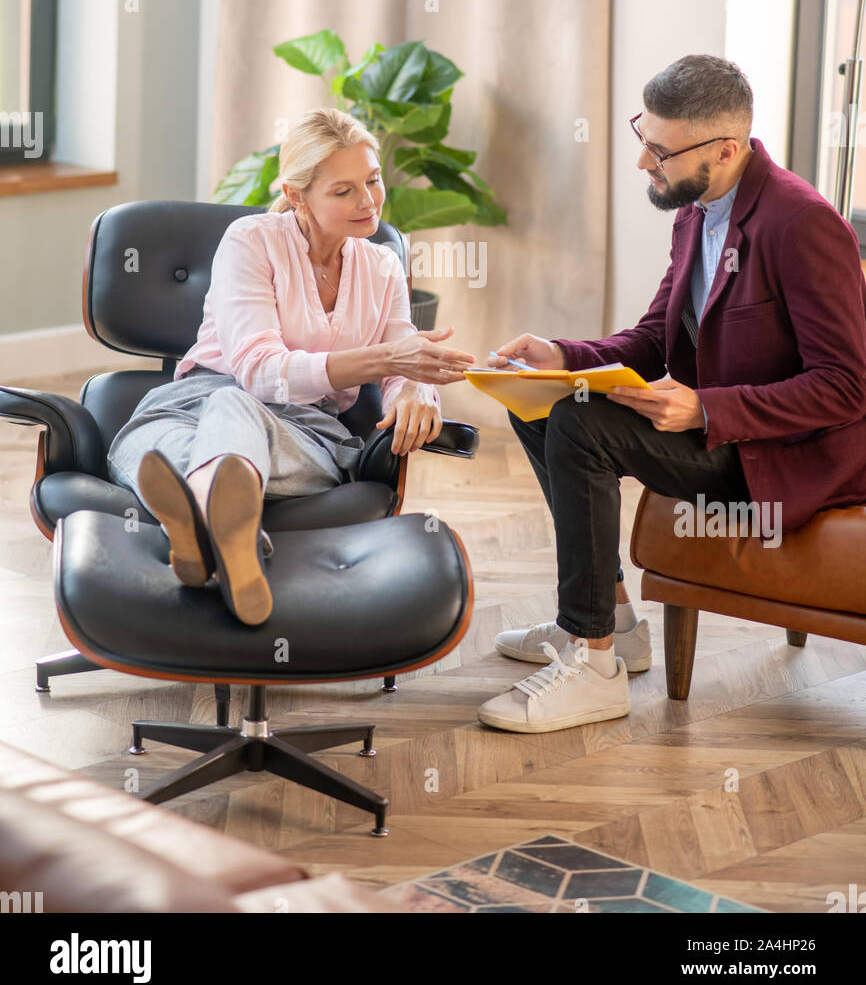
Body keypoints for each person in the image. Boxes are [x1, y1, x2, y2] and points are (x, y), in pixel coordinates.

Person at [477, 53, 866, 734]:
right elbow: (657, 338)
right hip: (716, 430)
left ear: (723, 148)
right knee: (542, 404)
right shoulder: (698, 208)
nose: (643, 164)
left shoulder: (800, 224)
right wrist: (562, 356)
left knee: (581, 427)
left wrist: (710, 408)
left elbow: (846, 386)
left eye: (659, 150)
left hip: (773, 456)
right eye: (642, 139)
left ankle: (595, 668)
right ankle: (615, 627)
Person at [106, 108, 475, 625]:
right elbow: (258, 370)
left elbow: (401, 354)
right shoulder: (252, 240)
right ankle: (230, 537)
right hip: (188, 407)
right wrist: (394, 358)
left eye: (372, 180)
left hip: (303, 431)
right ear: (297, 195)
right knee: (196, 424)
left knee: (217, 421)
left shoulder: (381, 265)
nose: (368, 200)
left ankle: (197, 526)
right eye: (343, 190)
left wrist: (414, 389)